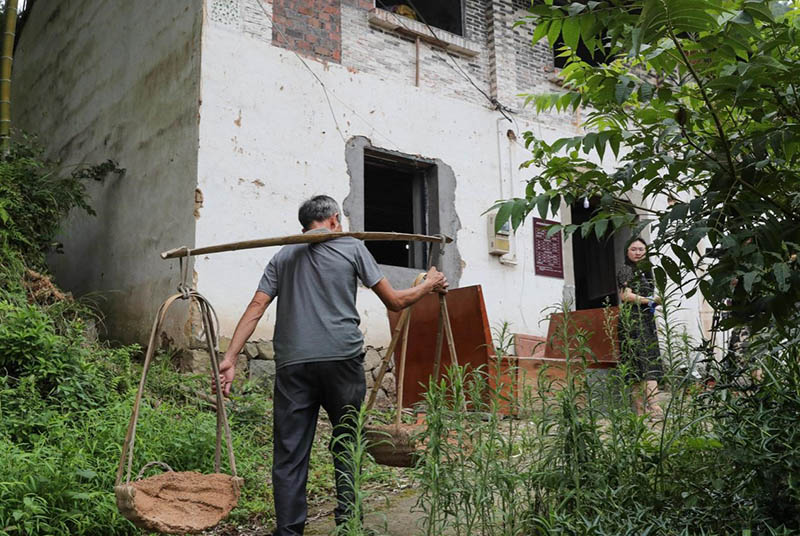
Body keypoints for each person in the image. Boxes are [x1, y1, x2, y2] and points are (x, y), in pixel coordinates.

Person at [214, 195, 448, 536]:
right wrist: (429, 285)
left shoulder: (283, 254)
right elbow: (395, 301)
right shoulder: (352, 248)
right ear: (335, 220)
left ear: (305, 224)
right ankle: (348, 524)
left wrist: (230, 357)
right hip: (342, 361)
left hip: (294, 365)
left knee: (290, 451)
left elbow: (256, 306)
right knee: (346, 441)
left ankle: (289, 531)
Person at [616, 237, 664, 417]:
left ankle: (652, 407)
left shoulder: (648, 271)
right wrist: (649, 300)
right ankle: (644, 409)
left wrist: (653, 303)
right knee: (636, 364)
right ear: (627, 252)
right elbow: (625, 295)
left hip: (647, 319)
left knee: (650, 360)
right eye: (633, 249)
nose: (637, 252)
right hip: (631, 320)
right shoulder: (626, 270)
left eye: (641, 249)